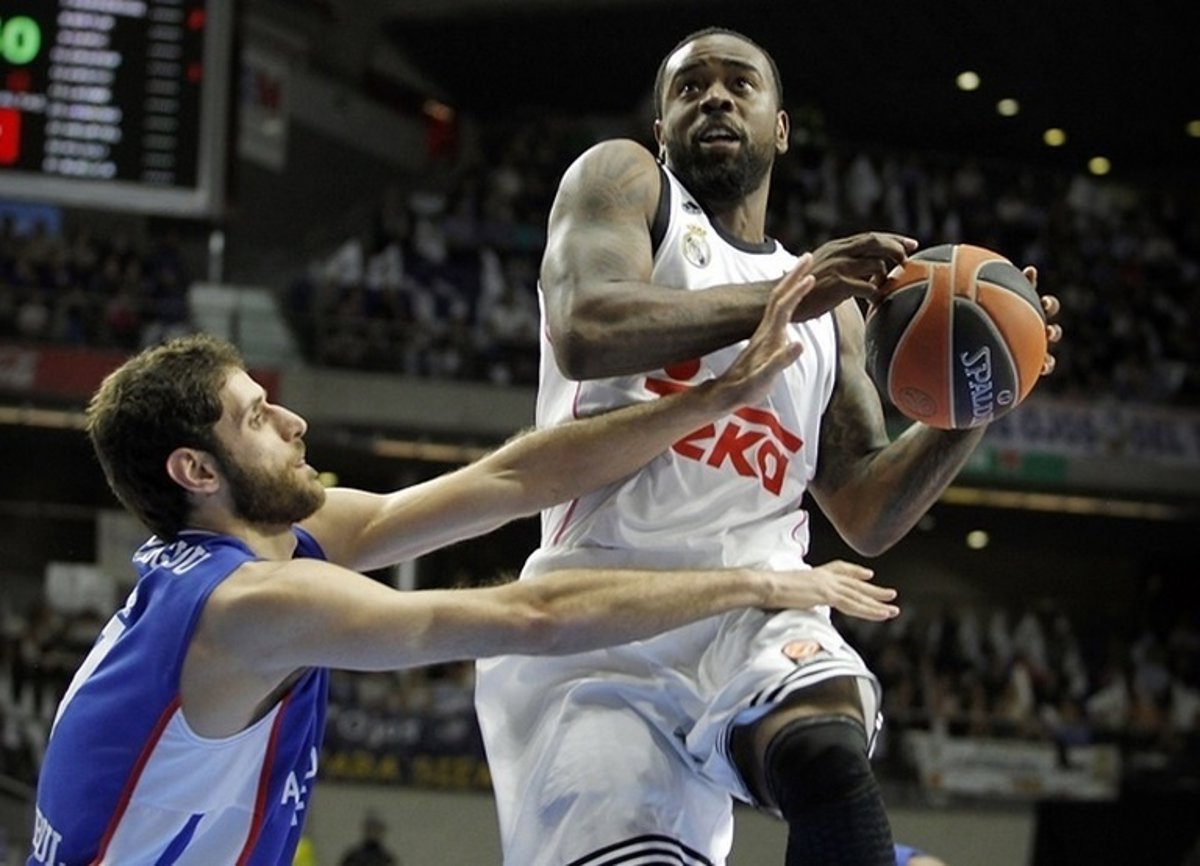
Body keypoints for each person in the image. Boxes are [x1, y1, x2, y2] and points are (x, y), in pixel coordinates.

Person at [27, 280, 904, 866]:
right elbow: (532, 618)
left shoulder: (262, 549)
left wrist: (711, 401)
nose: (292, 421)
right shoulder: (251, 604)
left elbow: (510, 479)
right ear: (196, 471)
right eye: (255, 416)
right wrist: (759, 581)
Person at [474, 25, 1062, 866]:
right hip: (599, 616)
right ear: (661, 129)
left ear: (779, 128)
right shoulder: (626, 185)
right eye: (691, 86)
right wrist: (791, 294)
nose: (715, 96)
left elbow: (864, 510)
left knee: (825, 748)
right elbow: (585, 327)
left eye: (739, 84)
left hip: (756, 605)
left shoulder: (835, 311)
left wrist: (978, 398)